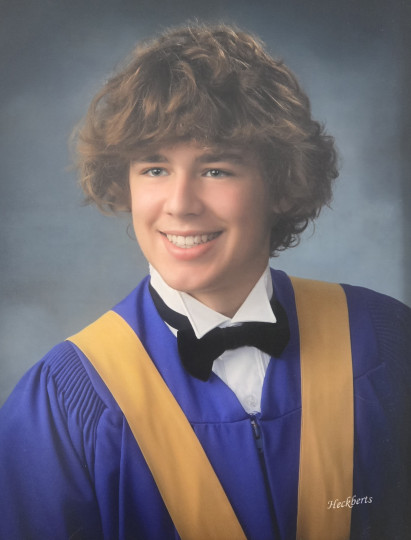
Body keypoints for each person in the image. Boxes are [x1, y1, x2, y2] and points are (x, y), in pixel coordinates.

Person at [0, 23, 410, 540]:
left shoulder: (382, 342)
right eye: (154, 169)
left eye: (215, 169)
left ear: (281, 184)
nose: (180, 203)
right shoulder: (63, 403)